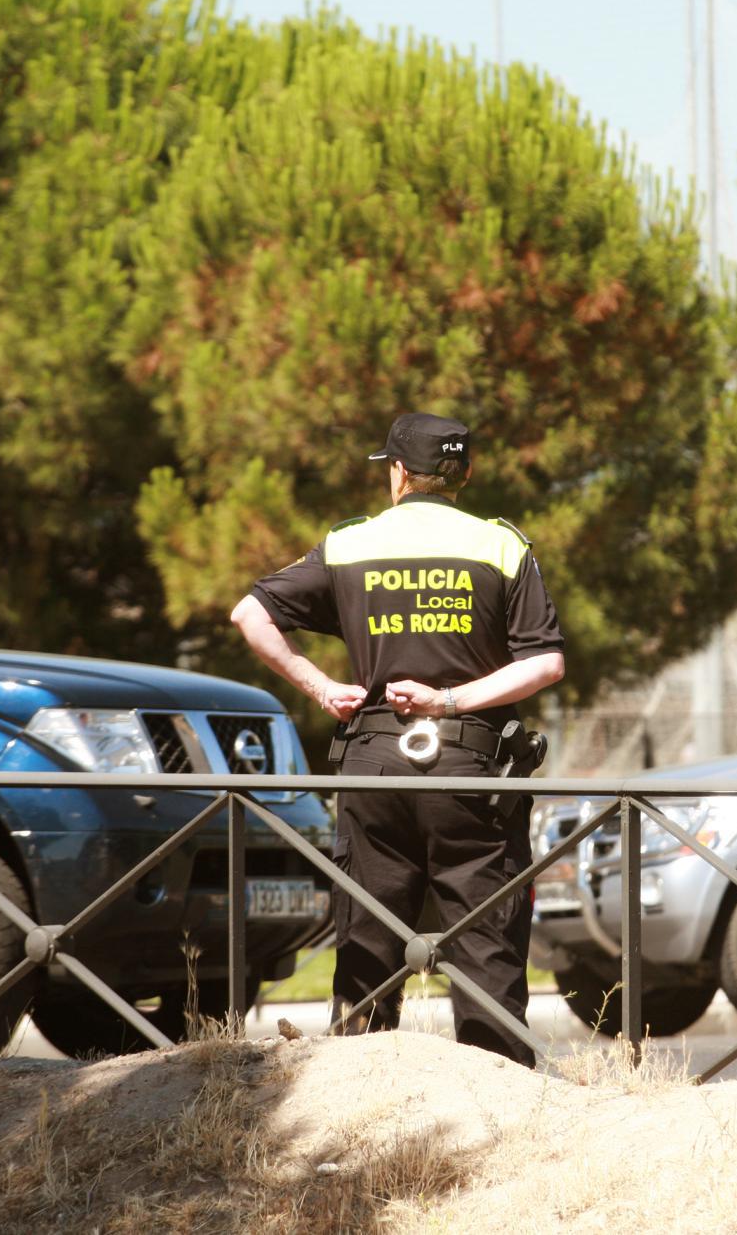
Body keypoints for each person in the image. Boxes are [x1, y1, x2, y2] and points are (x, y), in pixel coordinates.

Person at [230, 412, 565, 1066]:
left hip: (373, 762)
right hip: (470, 767)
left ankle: (357, 1107)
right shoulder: (501, 547)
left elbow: (251, 613)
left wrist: (321, 687)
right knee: (486, 946)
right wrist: (449, 700)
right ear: (462, 474)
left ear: (399, 472)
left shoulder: (351, 545)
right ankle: (502, 1106)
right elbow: (546, 662)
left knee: (368, 948)